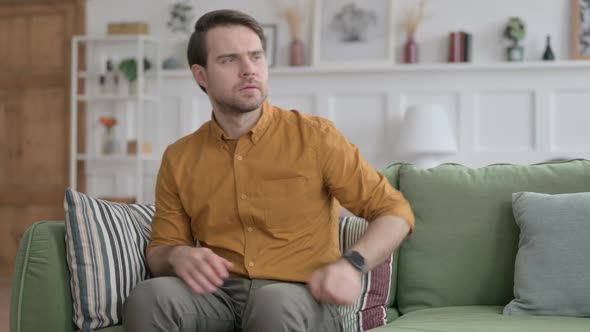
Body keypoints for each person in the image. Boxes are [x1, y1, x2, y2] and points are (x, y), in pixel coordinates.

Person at [123, 9, 415, 332]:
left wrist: (352, 264)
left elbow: (395, 213)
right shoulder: (179, 158)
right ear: (201, 75)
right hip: (218, 298)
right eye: (229, 60)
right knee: (147, 297)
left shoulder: (316, 137)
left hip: (303, 296)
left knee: (272, 305)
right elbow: (160, 250)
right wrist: (177, 256)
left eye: (256, 57)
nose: (249, 70)